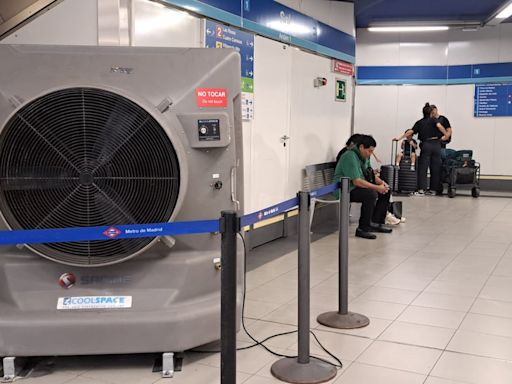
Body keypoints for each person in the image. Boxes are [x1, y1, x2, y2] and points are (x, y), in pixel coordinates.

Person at [334, 134, 392, 240]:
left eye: (372, 151)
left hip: (356, 187)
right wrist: (376, 188)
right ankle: (362, 228)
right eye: (369, 151)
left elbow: (369, 174)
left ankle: (375, 222)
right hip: (345, 189)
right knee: (370, 194)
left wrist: (382, 184)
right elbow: (357, 181)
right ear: (361, 147)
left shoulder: (364, 157)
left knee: (386, 191)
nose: (370, 154)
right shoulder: (349, 156)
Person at [395, 103, 448, 196]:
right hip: (436, 145)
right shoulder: (434, 120)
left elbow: (410, 132)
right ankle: (433, 190)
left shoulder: (419, 122)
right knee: (435, 168)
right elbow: (439, 126)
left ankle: (421, 189)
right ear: (431, 113)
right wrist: (446, 135)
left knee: (423, 168)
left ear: (423, 113)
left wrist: (399, 138)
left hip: (426, 144)